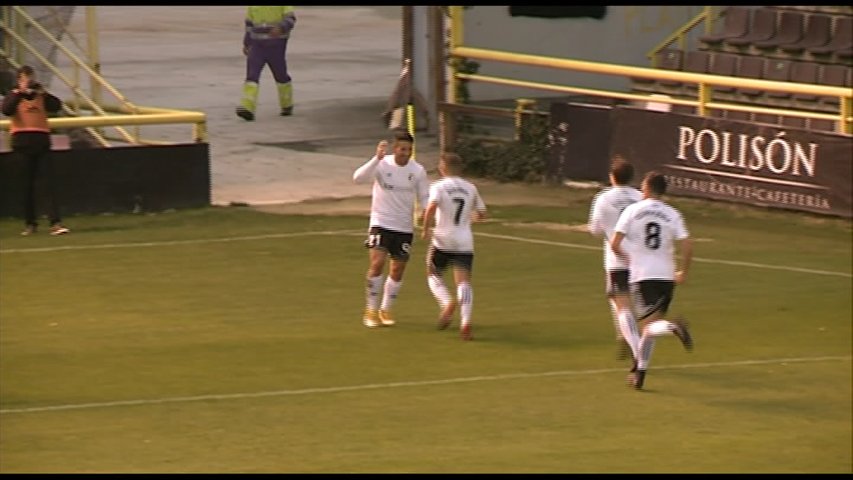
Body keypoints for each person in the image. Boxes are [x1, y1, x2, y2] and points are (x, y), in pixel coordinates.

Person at [611, 171, 694, 390]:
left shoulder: (632, 211)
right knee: (649, 329)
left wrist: (628, 260)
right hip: (666, 276)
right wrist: (683, 271)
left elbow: (614, 243)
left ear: (646, 189)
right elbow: (687, 244)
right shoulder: (672, 214)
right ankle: (639, 374)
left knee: (651, 327)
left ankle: (673, 326)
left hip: (643, 276)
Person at [352, 129, 429, 328]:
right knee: (377, 263)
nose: (406, 153)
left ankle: (385, 309)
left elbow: (424, 197)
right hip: (381, 222)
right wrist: (375, 159)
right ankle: (370, 310)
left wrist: (425, 213)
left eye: (409, 149)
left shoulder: (417, 171)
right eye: (402, 149)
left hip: (403, 226)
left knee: (397, 269)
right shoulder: (382, 164)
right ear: (395, 149)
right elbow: (358, 178)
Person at [421, 152, 487, 341]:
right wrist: (472, 218)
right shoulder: (470, 187)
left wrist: (425, 228)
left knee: (433, 273)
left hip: (443, 238)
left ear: (442, 168)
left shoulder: (438, 186)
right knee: (464, 282)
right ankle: (465, 322)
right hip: (464, 240)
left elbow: (431, 207)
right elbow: (482, 213)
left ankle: (447, 302)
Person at [1, 65, 69, 236]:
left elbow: (56, 105)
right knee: (26, 186)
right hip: (22, 143)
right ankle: (30, 223)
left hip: (41, 141)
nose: (29, 82)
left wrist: (42, 93)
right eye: (25, 79)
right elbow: (6, 110)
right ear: (19, 80)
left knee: (47, 184)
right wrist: (19, 93)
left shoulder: (41, 96)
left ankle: (55, 222)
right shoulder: (13, 96)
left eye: (30, 78)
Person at [587, 156, 643, 360]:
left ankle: (630, 339)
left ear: (612, 177)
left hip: (616, 258)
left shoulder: (603, 198)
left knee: (619, 302)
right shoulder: (640, 197)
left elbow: (594, 230)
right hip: (640, 258)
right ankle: (627, 333)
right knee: (634, 300)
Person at [236, 6, 296, 121]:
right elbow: (249, 25)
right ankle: (247, 108)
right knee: (252, 75)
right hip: (257, 46)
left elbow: (291, 19)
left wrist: (281, 27)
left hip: (276, 46)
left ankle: (287, 104)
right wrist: (247, 43)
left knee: (281, 75)